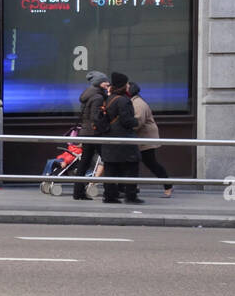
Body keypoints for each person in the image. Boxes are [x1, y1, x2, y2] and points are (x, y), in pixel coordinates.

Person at [98, 72, 142, 204]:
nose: (128, 86)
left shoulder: (108, 99)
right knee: (132, 166)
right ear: (123, 85)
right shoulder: (124, 101)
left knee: (111, 167)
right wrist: (136, 121)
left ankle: (109, 196)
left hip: (109, 138)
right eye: (127, 83)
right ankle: (131, 195)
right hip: (123, 139)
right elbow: (127, 121)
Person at [129, 81, 172, 198]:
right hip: (141, 138)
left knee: (151, 163)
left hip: (145, 138)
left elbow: (138, 122)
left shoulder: (137, 103)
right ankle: (133, 187)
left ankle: (168, 186)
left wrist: (126, 128)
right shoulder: (135, 101)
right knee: (134, 163)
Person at [72, 70, 109, 200]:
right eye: (105, 82)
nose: (107, 84)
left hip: (87, 133)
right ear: (98, 83)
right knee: (108, 160)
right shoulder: (98, 97)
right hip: (95, 134)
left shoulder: (88, 94)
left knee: (85, 162)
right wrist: (105, 126)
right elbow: (95, 117)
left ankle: (78, 192)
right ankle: (110, 192)